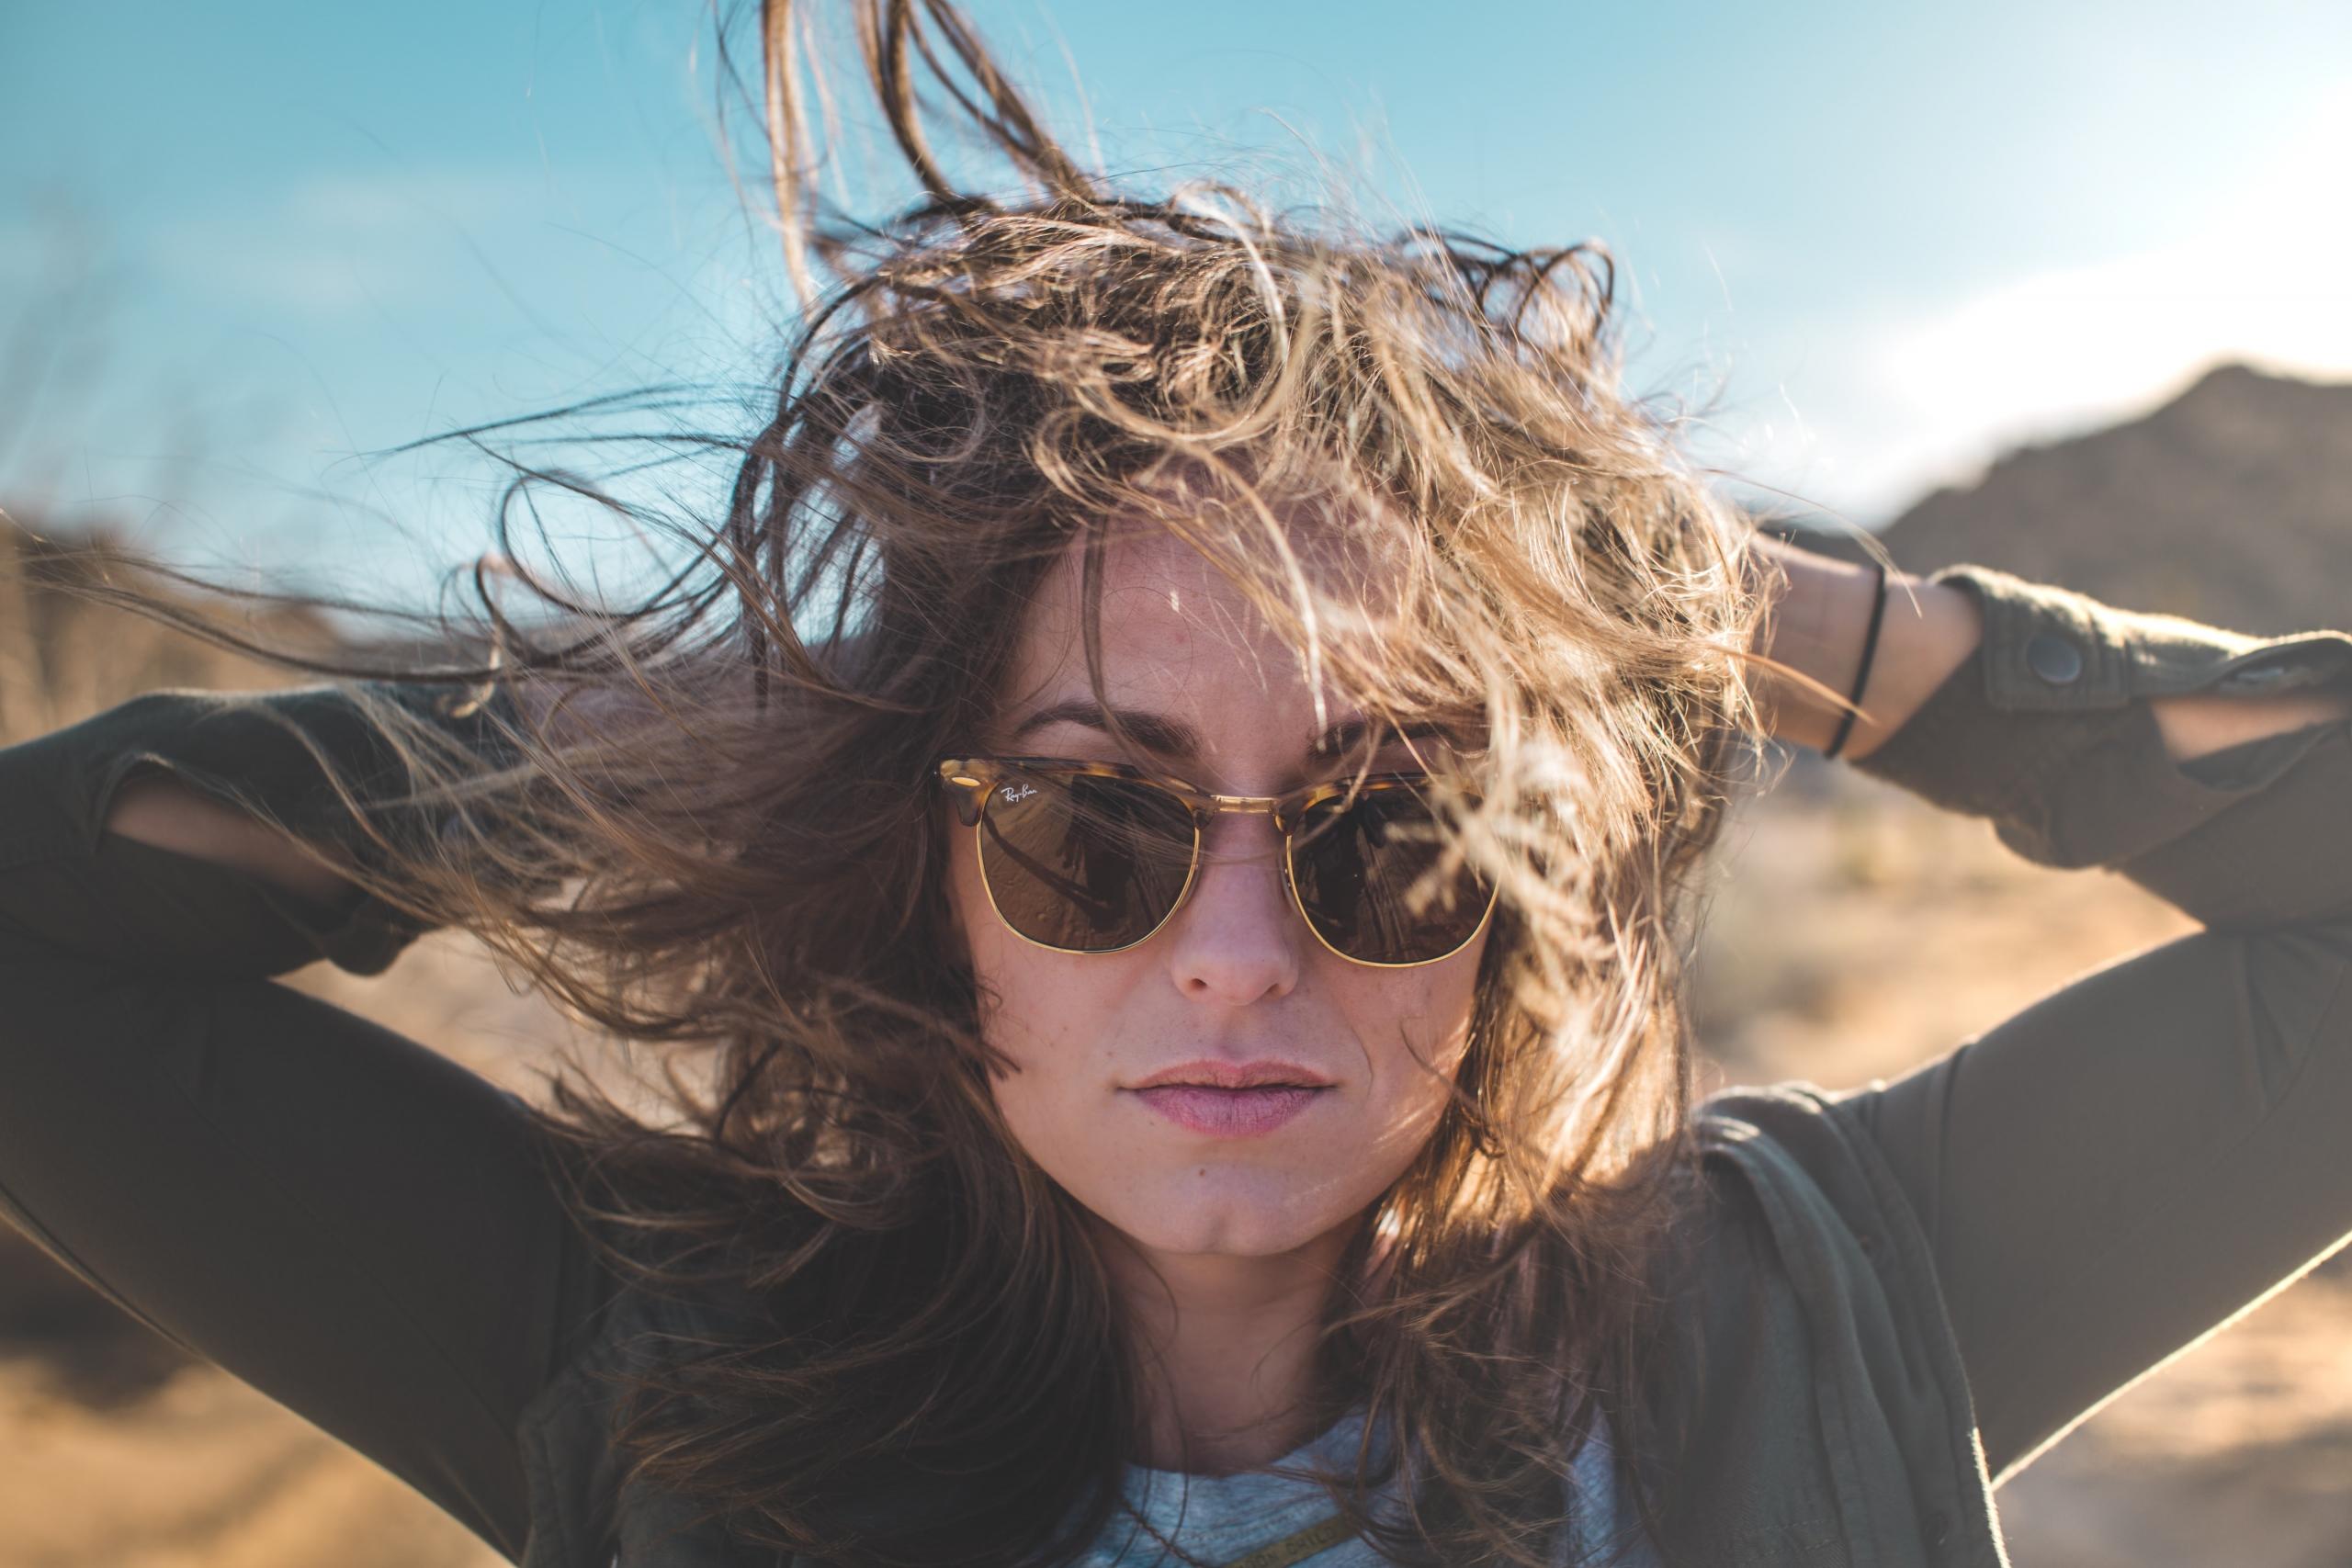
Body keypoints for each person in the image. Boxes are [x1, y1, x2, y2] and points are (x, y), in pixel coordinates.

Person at [5, 4, 2351, 1564]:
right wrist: (718, 741)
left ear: (1524, 887)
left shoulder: (1814, 1307)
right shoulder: (643, 1377)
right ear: (928, 868)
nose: (1236, 951)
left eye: (1394, 828)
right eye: (1087, 826)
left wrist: (1747, 610)